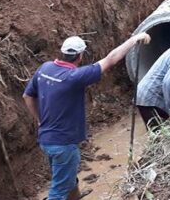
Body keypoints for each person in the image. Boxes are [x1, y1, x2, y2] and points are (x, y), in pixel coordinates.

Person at [23, 32, 151, 200]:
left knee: (66, 177)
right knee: (58, 192)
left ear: (62, 52)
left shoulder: (45, 68)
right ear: (80, 55)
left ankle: (74, 197)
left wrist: (40, 120)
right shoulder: (74, 76)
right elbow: (110, 59)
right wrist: (133, 40)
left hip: (46, 140)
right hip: (64, 144)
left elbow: (27, 96)